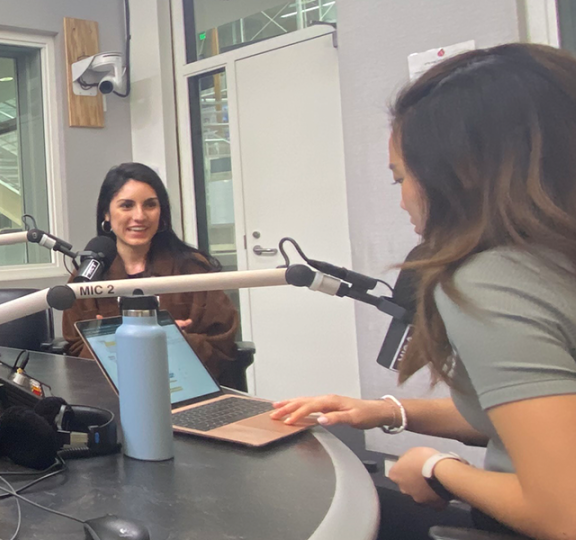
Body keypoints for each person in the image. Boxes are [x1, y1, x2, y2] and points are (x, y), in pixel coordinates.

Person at [271, 43, 576, 540]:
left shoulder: (493, 280)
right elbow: (541, 415)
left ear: (461, 172)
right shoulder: (555, 261)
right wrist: (391, 411)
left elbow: (565, 513)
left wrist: (438, 469)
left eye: (401, 177)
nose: (402, 201)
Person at [62, 162, 240, 385]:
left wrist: (174, 340)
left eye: (150, 205)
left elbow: (223, 347)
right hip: (109, 393)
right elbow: (75, 352)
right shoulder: (87, 275)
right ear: (106, 214)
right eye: (126, 206)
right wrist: (107, 341)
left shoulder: (193, 270)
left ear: (161, 212)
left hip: (183, 389)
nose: (139, 216)